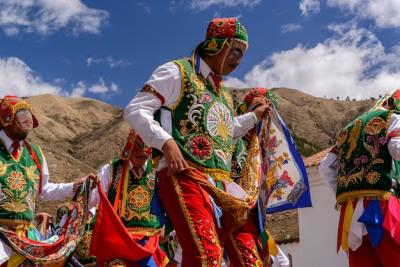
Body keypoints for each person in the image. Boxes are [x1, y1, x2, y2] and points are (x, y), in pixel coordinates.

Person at [124, 17, 270, 266]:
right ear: (216, 44)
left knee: (241, 259)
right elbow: (135, 110)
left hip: (222, 187)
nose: (238, 60)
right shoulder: (177, 71)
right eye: (235, 50)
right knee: (205, 255)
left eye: (242, 54)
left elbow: (226, 131)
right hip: (185, 174)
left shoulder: (223, 94)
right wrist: (167, 143)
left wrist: (252, 117)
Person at [0, 95, 88, 266]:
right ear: (6, 119)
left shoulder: (35, 153)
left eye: (29, 118)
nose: (27, 123)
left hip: (27, 237)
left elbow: (44, 190)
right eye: (22, 117)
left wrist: (74, 186)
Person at [319, 90, 400, 267]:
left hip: (350, 212)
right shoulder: (393, 118)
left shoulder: (346, 131)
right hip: (382, 207)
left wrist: (347, 193)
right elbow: (397, 149)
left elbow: (324, 167)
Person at [88, 130, 168, 266]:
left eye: (145, 155)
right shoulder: (111, 169)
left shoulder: (158, 171)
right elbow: (93, 200)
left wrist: (165, 226)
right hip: (118, 239)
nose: (142, 156)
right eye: (138, 154)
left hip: (147, 241)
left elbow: (167, 200)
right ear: (128, 148)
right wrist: (88, 188)